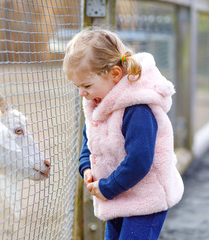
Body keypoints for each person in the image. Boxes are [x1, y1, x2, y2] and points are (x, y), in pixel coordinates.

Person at [63, 27, 184, 240]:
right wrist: (87, 166)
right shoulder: (98, 101)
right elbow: (89, 139)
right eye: (77, 87)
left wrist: (108, 187)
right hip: (118, 194)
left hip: (147, 198)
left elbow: (139, 161)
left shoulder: (137, 108)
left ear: (115, 75)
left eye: (87, 85)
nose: (82, 93)